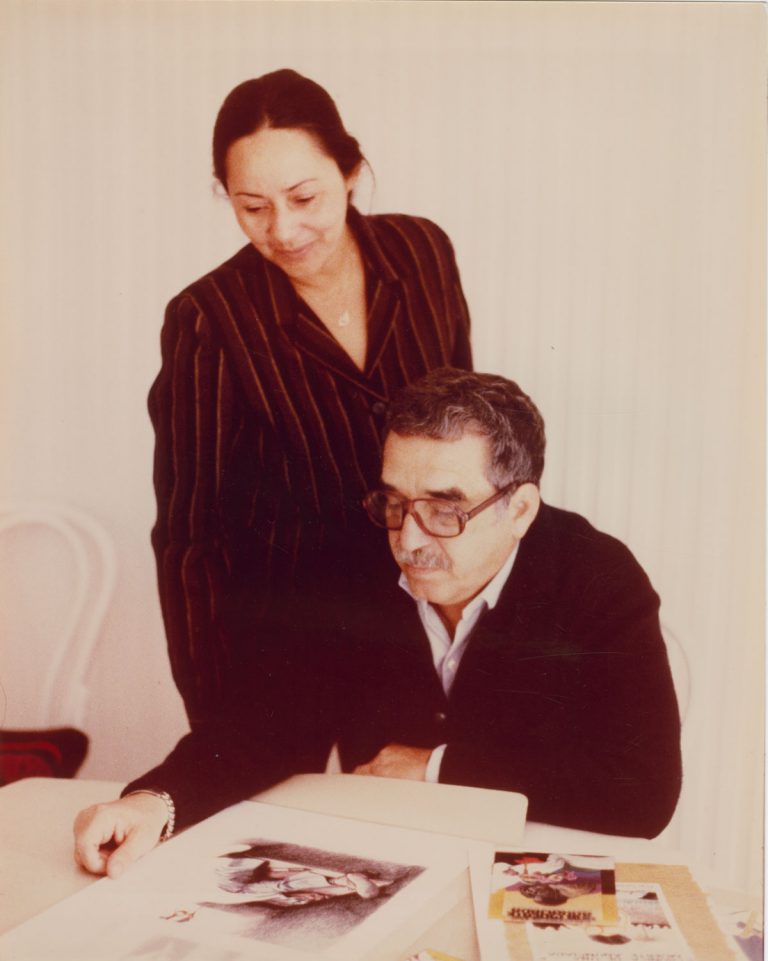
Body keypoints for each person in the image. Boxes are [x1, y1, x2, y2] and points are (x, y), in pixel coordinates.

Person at [72, 70, 471, 875]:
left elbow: (466, 438)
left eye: (306, 197)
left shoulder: (422, 252)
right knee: (271, 869)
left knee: (417, 849)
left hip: (420, 617)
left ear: (352, 173)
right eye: (252, 207)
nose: (284, 230)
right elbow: (189, 535)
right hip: (285, 638)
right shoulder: (210, 319)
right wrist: (218, 723)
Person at [74, 369, 680, 876]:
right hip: (386, 864)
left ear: (519, 508)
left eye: (445, 509)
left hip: (533, 872)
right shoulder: (350, 562)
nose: (409, 540)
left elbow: (643, 791)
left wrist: (435, 766)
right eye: (394, 502)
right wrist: (158, 800)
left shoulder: (598, 579)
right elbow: (265, 722)